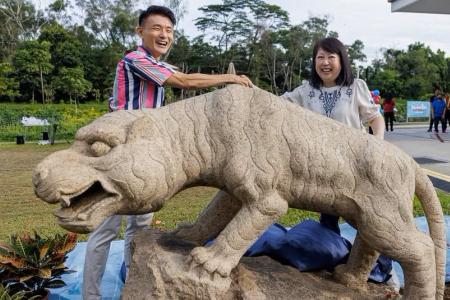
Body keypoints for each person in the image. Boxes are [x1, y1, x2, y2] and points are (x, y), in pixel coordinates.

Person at [83, 5, 252, 300]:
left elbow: (187, 77)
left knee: (139, 226)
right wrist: (230, 79)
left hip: (142, 156)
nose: (164, 35)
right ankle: (91, 296)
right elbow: (185, 82)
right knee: (105, 228)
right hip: (117, 153)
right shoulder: (135, 59)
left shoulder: (159, 64)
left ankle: (132, 285)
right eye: (157, 28)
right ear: (141, 32)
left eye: (169, 30)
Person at [281, 37, 384, 235]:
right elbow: (275, 103)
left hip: (355, 167)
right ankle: (333, 257)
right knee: (328, 222)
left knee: (365, 219)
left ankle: (381, 262)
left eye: (330, 57)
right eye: (320, 57)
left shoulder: (355, 87)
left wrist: (377, 143)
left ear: (341, 60)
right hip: (323, 169)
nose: (325, 62)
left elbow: (375, 118)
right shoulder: (304, 91)